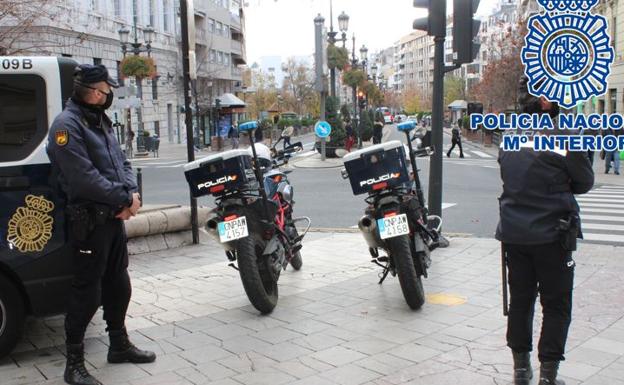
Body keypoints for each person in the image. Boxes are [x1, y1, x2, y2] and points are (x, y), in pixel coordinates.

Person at [47, 64, 156, 385]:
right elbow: (82, 180)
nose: (109, 95)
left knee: (118, 283)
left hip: (112, 218)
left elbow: (120, 161)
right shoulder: (66, 126)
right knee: (87, 292)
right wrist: (123, 199)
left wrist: (129, 194)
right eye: (107, 90)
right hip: (90, 222)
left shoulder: (100, 119)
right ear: (96, 93)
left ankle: (119, 345)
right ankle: (74, 364)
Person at [497, 76, 594, 385]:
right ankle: (549, 376)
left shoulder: (510, 134)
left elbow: (507, 174)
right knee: (556, 304)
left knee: (521, 300)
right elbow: (584, 182)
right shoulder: (565, 134)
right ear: (545, 100)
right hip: (553, 234)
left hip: (515, 233)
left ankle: (521, 370)